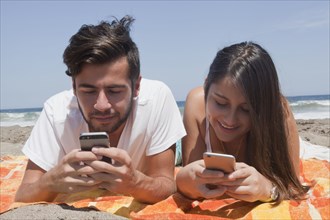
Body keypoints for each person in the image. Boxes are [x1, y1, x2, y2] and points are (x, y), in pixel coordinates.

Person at [15, 16, 186, 204]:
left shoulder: (156, 97)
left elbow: (167, 185)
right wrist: (50, 182)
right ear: (73, 86)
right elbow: (23, 195)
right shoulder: (56, 112)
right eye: (88, 91)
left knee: (178, 155)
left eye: (114, 91)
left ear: (137, 86)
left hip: (161, 144)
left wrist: (135, 183)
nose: (102, 105)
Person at [176, 42, 308, 204]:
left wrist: (268, 189)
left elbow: (292, 186)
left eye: (246, 109)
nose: (230, 120)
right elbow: (191, 185)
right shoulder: (196, 104)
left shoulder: (278, 112)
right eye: (220, 103)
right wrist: (184, 182)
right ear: (206, 86)